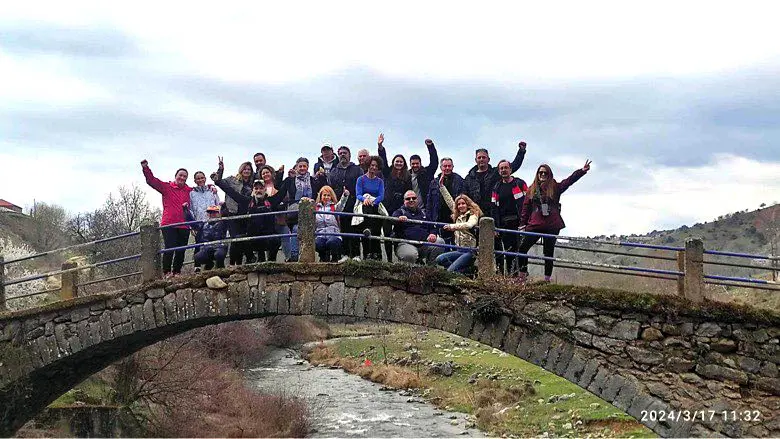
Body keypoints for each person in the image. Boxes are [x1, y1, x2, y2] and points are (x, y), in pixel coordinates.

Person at [516, 160, 592, 283]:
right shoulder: (531, 189)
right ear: (537, 174)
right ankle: (522, 277)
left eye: (545, 173)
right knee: (522, 249)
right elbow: (526, 208)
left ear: (549, 174)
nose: (543, 175)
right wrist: (522, 224)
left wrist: (582, 171)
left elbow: (569, 181)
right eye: (540, 172)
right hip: (535, 225)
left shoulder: (555, 187)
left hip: (551, 225)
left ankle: (547, 279)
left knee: (548, 252)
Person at [141, 159, 191, 278]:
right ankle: (167, 272)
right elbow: (152, 181)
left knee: (181, 250)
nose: (182, 178)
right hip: (169, 224)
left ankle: (177, 272)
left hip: (184, 224)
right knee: (170, 247)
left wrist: (211, 187)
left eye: (185, 176)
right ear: (176, 176)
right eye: (180, 175)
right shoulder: (167, 187)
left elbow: (201, 190)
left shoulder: (189, 191)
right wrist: (146, 168)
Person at [268, 157, 325, 261]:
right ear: (296, 167)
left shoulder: (313, 181)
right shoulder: (290, 181)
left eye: (304, 166)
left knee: (310, 233)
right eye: (300, 166)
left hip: (311, 211)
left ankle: (311, 258)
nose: (302, 168)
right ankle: (294, 257)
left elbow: (323, 189)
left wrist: (322, 176)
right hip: (294, 212)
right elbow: (280, 194)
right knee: (295, 230)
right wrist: (267, 201)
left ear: (307, 167)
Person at [464, 142, 527, 216]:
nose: (481, 159)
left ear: (488, 159)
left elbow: (514, 165)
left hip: (493, 212)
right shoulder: (469, 178)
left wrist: (521, 151)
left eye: (484, 157)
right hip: (475, 214)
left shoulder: (496, 172)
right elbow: (465, 197)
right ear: (475, 160)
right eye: (479, 157)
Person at [377, 133, 411, 262]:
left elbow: (409, 192)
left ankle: (400, 258)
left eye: (401, 161)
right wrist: (380, 146)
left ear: (404, 163)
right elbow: (383, 159)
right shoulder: (387, 172)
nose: (399, 163)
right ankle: (389, 260)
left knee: (398, 233)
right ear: (393, 162)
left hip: (399, 208)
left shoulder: (407, 176)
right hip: (387, 207)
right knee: (386, 234)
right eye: (397, 161)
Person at [325, 146, 364, 260]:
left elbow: (361, 186)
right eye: (340, 153)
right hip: (339, 205)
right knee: (343, 230)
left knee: (355, 229)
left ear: (349, 155)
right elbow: (331, 188)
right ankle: (345, 254)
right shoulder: (333, 171)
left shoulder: (357, 170)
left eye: (345, 153)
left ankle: (356, 255)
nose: (342, 155)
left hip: (354, 204)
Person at [214, 158, 255, 265]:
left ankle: (241, 262)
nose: (246, 171)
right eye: (245, 169)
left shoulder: (252, 184)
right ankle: (233, 263)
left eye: (249, 169)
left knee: (244, 238)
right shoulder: (232, 180)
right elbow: (218, 181)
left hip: (246, 215)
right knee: (235, 239)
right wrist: (220, 169)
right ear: (241, 170)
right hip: (232, 213)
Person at [491, 159, 529, 275]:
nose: (504, 170)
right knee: (509, 252)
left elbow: (529, 202)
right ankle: (511, 277)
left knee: (521, 250)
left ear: (510, 169)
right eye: (501, 168)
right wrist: (496, 226)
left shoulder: (519, 183)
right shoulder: (496, 187)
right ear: (499, 171)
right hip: (504, 225)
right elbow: (494, 208)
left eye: (506, 168)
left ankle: (522, 276)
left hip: (519, 223)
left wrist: (526, 222)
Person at [392, 190, 445, 264]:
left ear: (417, 200)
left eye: (414, 198)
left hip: (424, 243)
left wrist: (433, 234)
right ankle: (412, 267)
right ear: (404, 201)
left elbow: (433, 226)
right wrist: (399, 219)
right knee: (410, 255)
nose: (411, 200)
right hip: (406, 244)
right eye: (408, 199)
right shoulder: (399, 212)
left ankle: (431, 266)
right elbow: (393, 220)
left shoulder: (424, 213)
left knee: (440, 242)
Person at [436, 189, 482, 274]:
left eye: (463, 203)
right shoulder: (457, 214)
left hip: (471, 251)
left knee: (450, 271)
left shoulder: (473, 214)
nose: (461, 206)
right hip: (459, 250)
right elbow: (449, 201)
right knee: (440, 259)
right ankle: (467, 271)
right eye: (459, 204)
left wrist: (452, 227)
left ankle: (467, 271)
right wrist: (442, 187)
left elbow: (469, 225)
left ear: (468, 204)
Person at [426, 157, 466, 243]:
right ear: (441, 167)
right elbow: (429, 203)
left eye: (449, 166)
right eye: (445, 166)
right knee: (442, 244)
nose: (447, 168)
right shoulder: (434, 182)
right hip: (439, 218)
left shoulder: (460, 181)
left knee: (456, 243)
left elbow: (464, 200)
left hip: (455, 218)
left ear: (453, 167)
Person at [188, 171, 221, 272]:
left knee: (213, 243)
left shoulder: (211, 191)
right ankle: (197, 267)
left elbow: (218, 203)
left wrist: (218, 219)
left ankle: (211, 264)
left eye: (202, 178)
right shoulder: (191, 193)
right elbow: (191, 209)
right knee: (199, 243)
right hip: (199, 222)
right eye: (198, 178)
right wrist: (192, 226)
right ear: (195, 180)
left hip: (212, 221)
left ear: (205, 179)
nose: (200, 180)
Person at [354, 156, 385, 260]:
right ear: (368, 165)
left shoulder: (380, 181)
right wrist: (365, 199)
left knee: (376, 232)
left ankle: (377, 255)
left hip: (375, 207)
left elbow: (381, 196)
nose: (374, 167)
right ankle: (366, 255)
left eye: (376, 166)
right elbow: (358, 194)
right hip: (364, 207)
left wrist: (374, 201)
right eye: (372, 165)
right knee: (365, 234)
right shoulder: (361, 179)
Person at [258, 164, 290, 261]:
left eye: (267, 172)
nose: (265, 175)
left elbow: (284, 196)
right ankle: (270, 260)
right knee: (271, 240)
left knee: (285, 237)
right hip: (267, 220)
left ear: (271, 173)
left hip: (280, 217)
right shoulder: (259, 188)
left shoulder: (278, 185)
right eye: (263, 173)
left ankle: (289, 258)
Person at [183, 204, 228, 270]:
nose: (212, 214)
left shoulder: (223, 222)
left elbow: (226, 214)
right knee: (197, 257)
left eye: (214, 212)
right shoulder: (204, 224)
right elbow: (193, 224)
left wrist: (224, 206)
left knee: (219, 255)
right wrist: (186, 210)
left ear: (218, 213)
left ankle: (221, 269)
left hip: (220, 246)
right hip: (207, 248)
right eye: (210, 212)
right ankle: (209, 264)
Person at [314, 185, 349, 262]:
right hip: (320, 234)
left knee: (332, 242)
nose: (326, 197)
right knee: (317, 243)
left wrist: (344, 196)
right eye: (324, 195)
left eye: (328, 195)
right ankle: (323, 258)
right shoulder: (316, 208)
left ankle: (335, 259)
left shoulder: (334, 207)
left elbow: (341, 205)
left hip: (334, 234)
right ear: (320, 196)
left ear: (331, 196)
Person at [409, 139, 439, 205]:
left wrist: (430, 146)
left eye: (417, 163)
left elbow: (434, 161)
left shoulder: (427, 172)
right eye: (413, 164)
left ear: (420, 163)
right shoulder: (407, 176)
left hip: (426, 207)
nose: (415, 165)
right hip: (411, 207)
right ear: (410, 164)